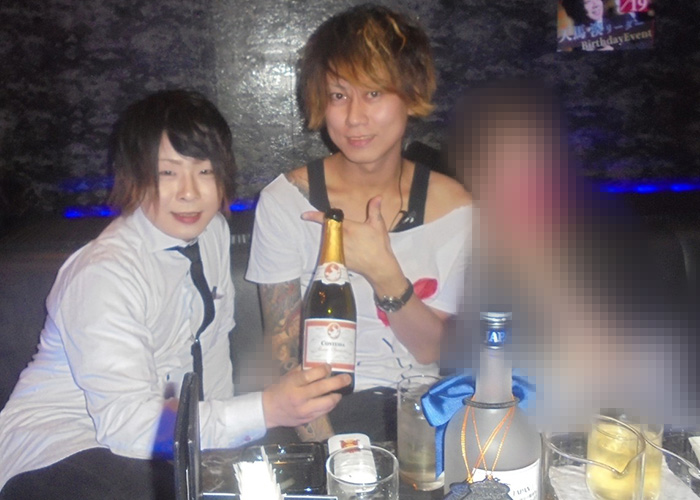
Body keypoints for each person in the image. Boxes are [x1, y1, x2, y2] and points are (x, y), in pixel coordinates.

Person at [0, 90, 350, 500]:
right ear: (134, 176)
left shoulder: (212, 233)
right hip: (59, 449)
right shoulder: (104, 273)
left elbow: (212, 352)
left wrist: (224, 458)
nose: (189, 192)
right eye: (168, 172)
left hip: (161, 450)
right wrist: (265, 409)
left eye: (204, 171)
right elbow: (129, 427)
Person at [245, 4, 472, 443]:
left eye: (373, 93)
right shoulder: (286, 202)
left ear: (410, 93)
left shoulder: (456, 208)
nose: (354, 117)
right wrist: (336, 454)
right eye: (338, 95)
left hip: (424, 417)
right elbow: (283, 356)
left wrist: (383, 272)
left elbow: (431, 350)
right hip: (325, 421)